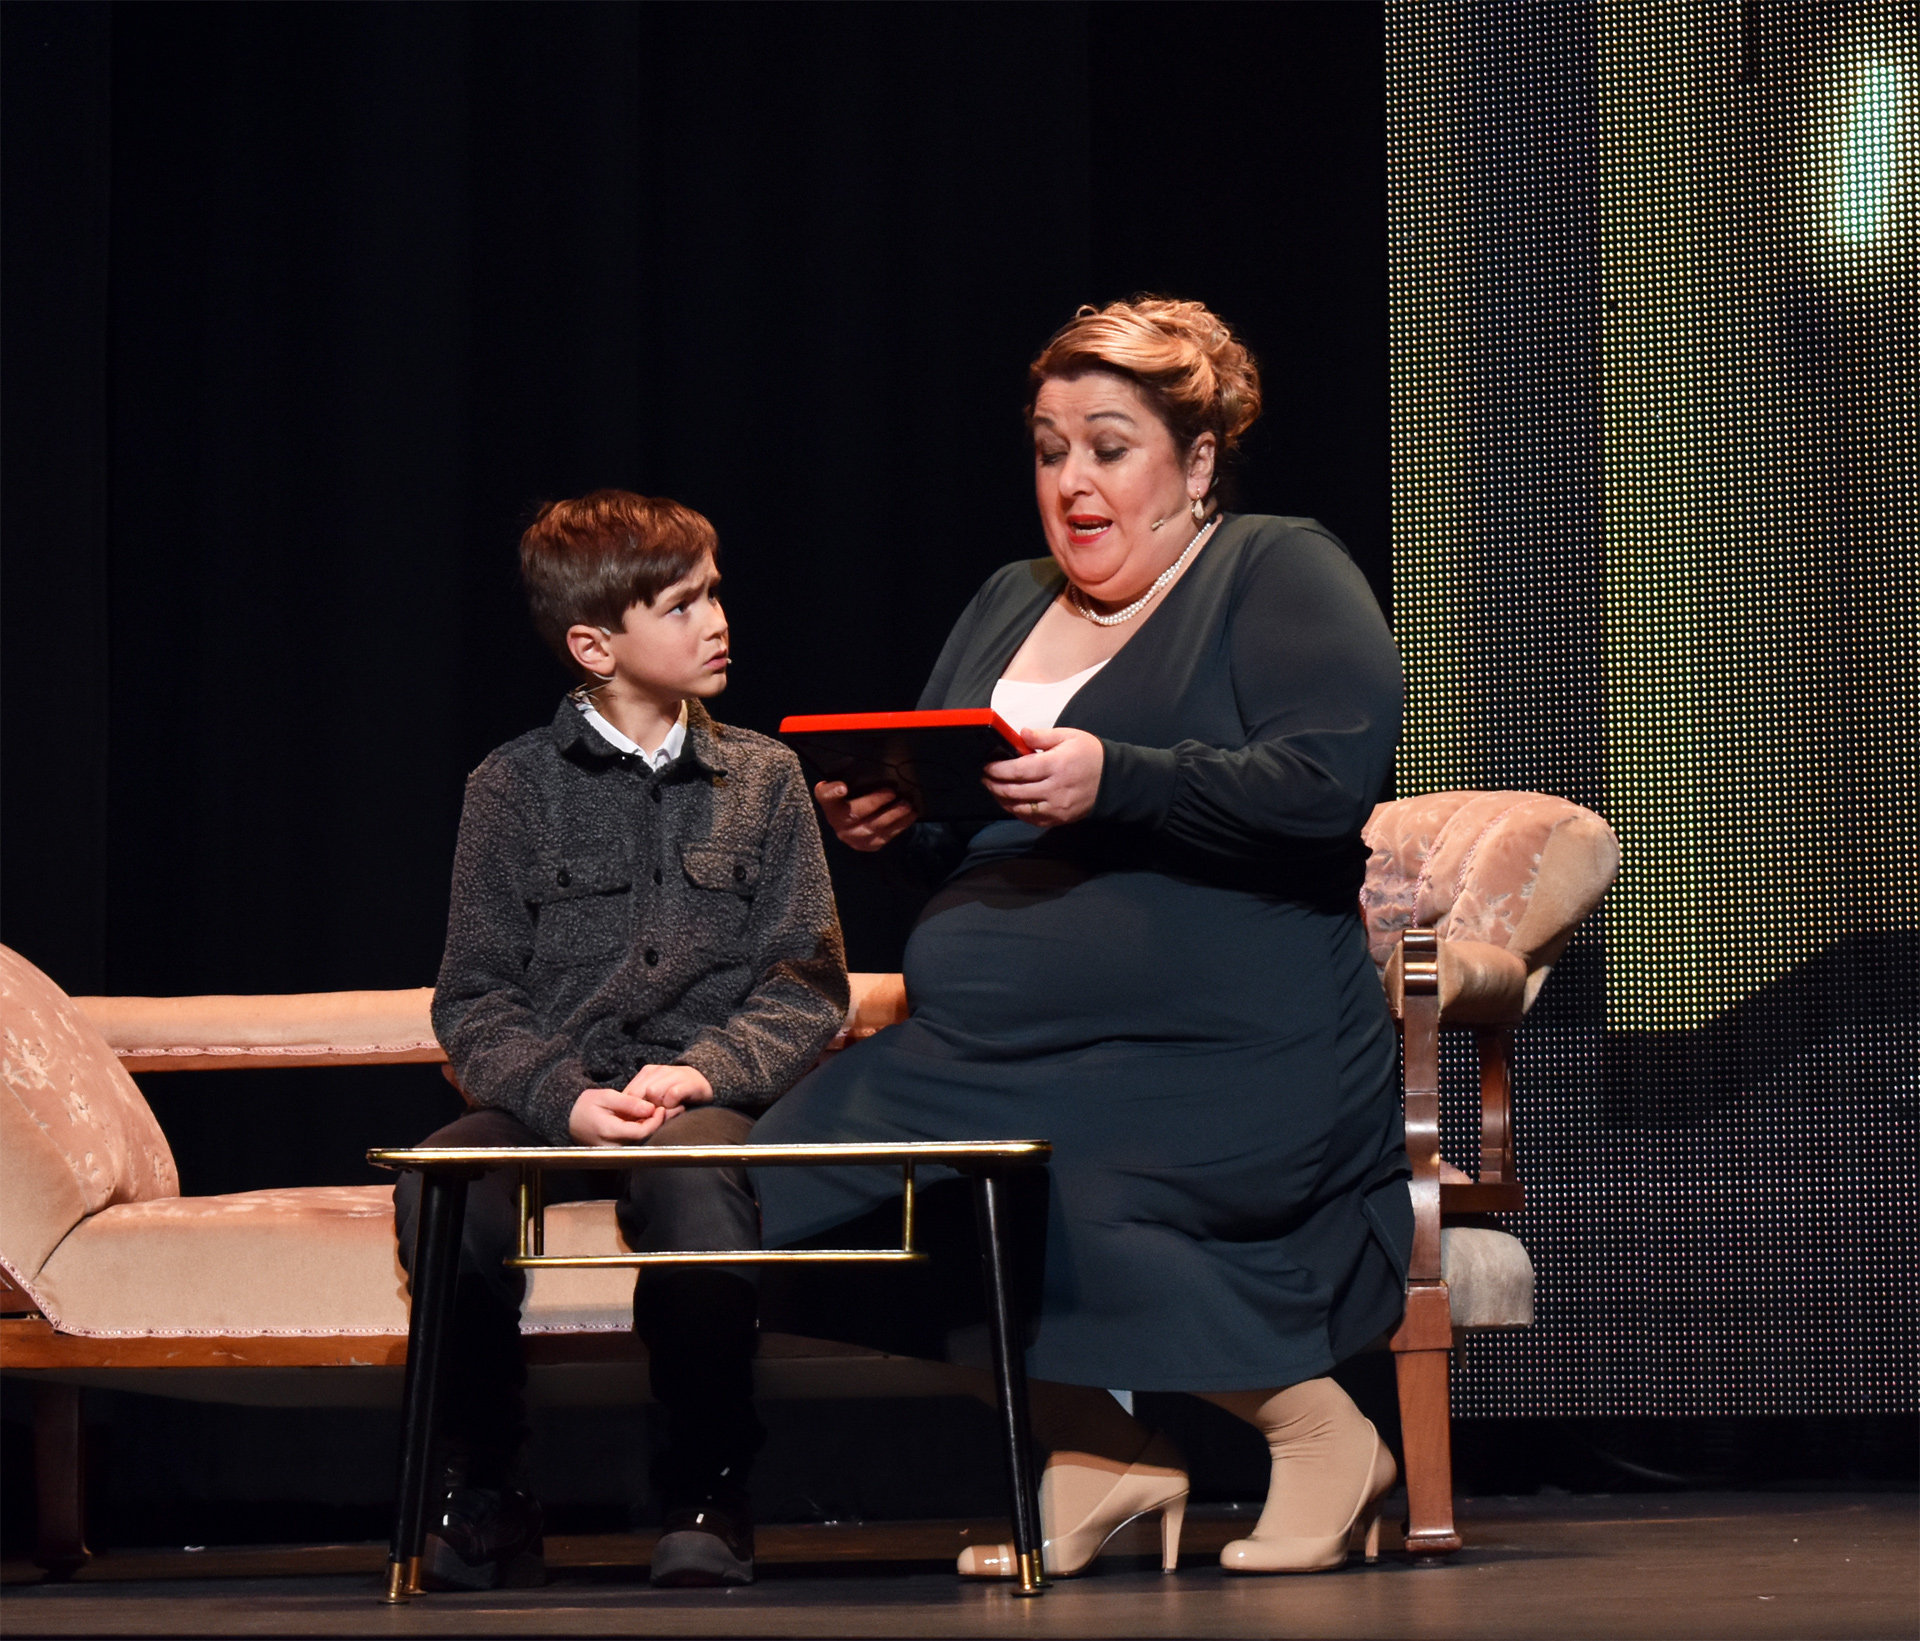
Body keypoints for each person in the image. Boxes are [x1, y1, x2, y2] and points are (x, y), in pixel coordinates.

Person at [751, 299, 1410, 1577]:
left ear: (1197, 460)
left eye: (1109, 447)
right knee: (776, 1193)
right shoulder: (1009, 599)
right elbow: (980, 830)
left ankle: (1323, 1435)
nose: (1072, 481)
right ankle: (1099, 1447)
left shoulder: (1274, 566)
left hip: (1222, 1043)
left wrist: (1122, 775)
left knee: (1059, 1183)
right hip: (980, 1046)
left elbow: (1327, 782)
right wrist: (902, 827)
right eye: (1051, 450)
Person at [395, 490, 847, 1591]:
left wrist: (703, 1071)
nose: (717, 620)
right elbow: (475, 996)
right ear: (595, 645)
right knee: (443, 1183)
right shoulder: (510, 787)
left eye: (714, 592)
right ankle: (487, 1489)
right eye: (682, 604)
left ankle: (705, 1490)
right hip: (555, 1094)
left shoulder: (765, 778)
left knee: (698, 1187)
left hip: (696, 1094)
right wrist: (564, 1098)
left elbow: (804, 982)